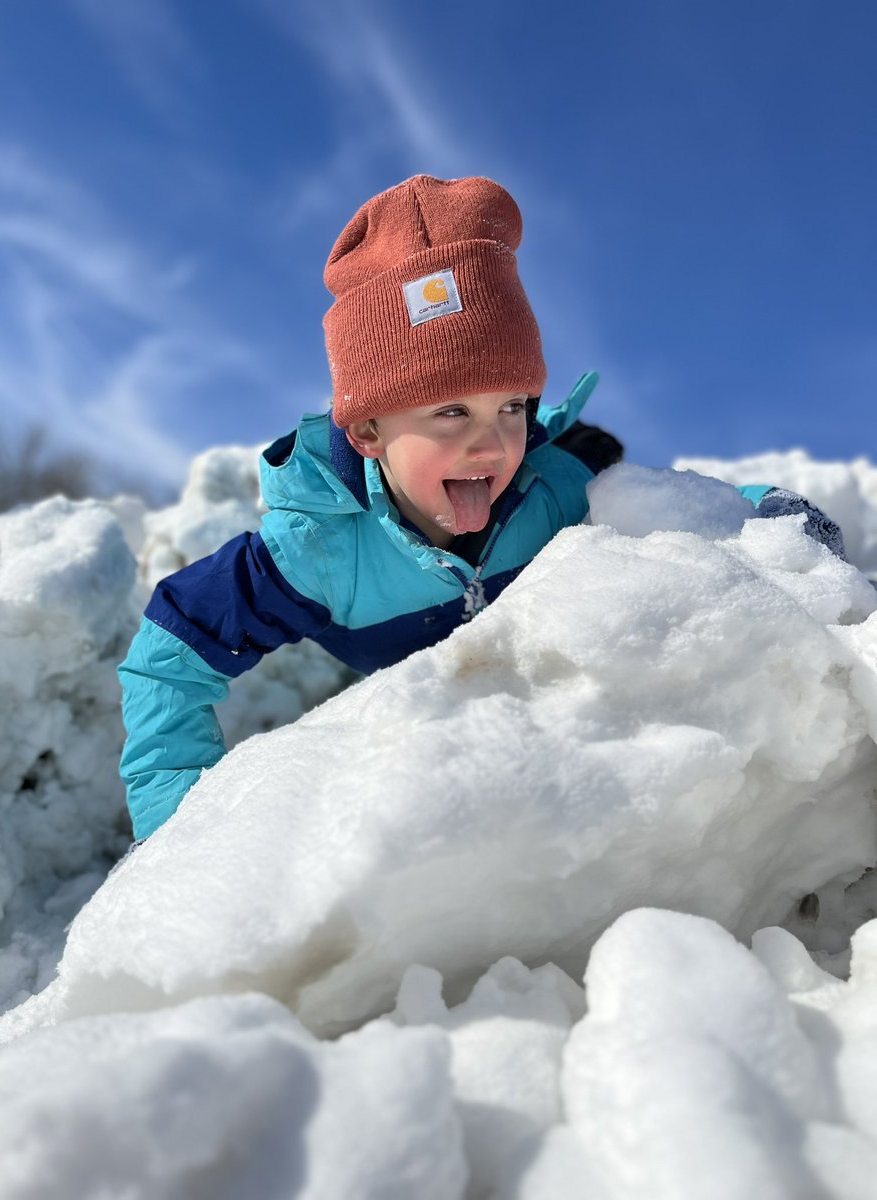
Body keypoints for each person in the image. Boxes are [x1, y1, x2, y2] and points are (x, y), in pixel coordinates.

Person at [118, 174, 842, 843]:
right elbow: (167, 658)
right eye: (451, 411)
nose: (491, 444)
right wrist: (176, 821)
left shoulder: (552, 487)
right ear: (368, 430)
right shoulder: (319, 548)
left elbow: (681, 506)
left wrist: (768, 515)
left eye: (512, 407)